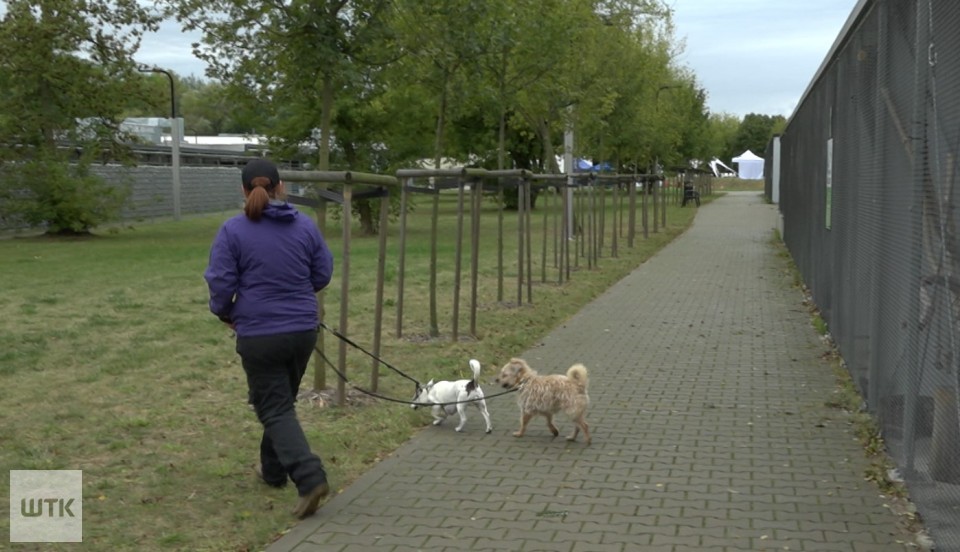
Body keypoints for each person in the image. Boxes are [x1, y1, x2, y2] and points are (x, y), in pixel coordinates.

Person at [204, 158, 334, 519]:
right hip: (303, 330)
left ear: (244, 190)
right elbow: (322, 272)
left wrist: (225, 312)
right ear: (281, 188)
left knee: (274, 406)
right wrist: (295, 297)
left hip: (260, 332)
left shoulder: (233, 230)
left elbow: (220, 281)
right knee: (280, 400)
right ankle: (273, 471)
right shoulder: (305, 227)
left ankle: (309, 478)